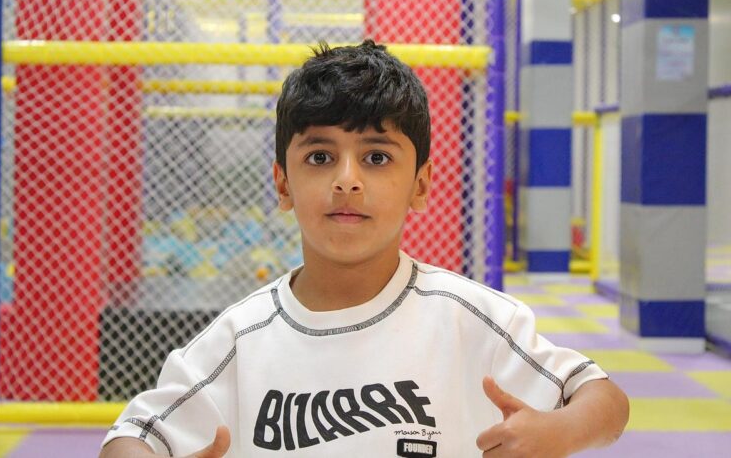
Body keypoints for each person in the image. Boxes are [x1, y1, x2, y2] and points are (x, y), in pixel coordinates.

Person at [100, 41, 628, 458]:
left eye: (376, 158)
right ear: (283, 184)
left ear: (420, 185)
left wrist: (559, 431)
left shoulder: (473, 319)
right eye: (320, 157)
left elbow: (604, 399)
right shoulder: (239, 340)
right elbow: (132, 436)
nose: (347, 180)